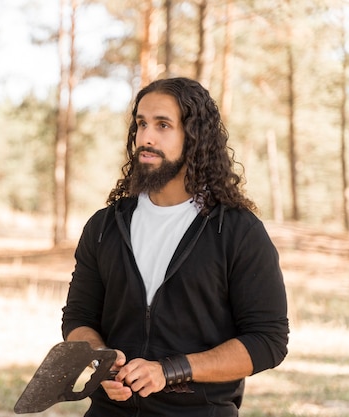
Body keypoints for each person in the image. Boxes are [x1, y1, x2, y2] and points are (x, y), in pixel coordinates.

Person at [62, 77, 289, 416]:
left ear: (194, 137)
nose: (147, 137)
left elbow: (268, 340)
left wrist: (168, 371)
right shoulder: (104, 226)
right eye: (141, 124)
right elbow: (78, 319)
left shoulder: (237, 231)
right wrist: (101, 360)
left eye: (163, 125)